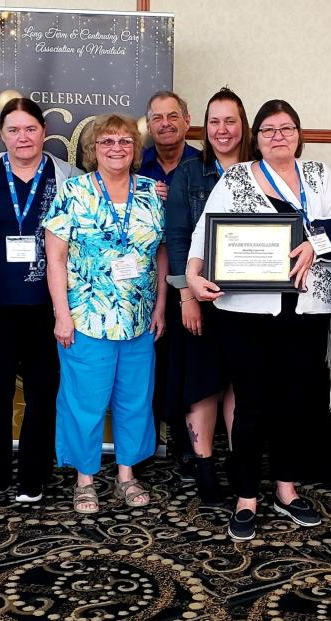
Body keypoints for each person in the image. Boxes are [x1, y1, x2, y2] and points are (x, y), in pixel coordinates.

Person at [186, 99, 331, 541]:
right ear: (256, 138)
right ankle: (245, 496)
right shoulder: (237, 177)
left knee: (294, 402)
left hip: (307, 308)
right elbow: (205, 230)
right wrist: (195, 275)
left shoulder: (317, 175)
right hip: (247, 312)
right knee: (252, 404)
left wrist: (314, 243)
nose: (279, 136)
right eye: (269, 130)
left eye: (287, 128)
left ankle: (287, 489)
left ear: (299, 133)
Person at [43, 114, 167, 514]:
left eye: (125, 141)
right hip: (87, 319)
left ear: (136, 149)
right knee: (85, 402)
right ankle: (85, 480)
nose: (117, 148)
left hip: (139, 318)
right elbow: (55, 258)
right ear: (93, 149)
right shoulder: (73, 192)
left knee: (135, 400)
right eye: (108, 141)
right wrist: (62, 315)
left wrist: (162, 304)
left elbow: (162, 252)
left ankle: (127, 475)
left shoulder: (151, 192)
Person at [0, 98, 81, 506]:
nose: (22, 137)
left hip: (48, 309)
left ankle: (34, 476)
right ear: (1, 134)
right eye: (13, 130)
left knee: (43, 393)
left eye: (30, 128)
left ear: (43, 132)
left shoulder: (68, 176)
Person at [164, 87, 248, 505]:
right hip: (203, 298)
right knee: (203, 385)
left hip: (251, 302)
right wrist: (187, 297)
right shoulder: (190, 173)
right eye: (214, 121)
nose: (222, 130)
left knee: (240, 385)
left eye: (230, 120)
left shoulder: (261, 170)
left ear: (243, 125)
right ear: (204, 127)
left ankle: (239, 463)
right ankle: (204, 468)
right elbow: (177, 237)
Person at [139, 90, 199, 479]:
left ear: (186, 120)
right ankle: (144, 441)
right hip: (143, 282)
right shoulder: (135, 164)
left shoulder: (202, 165)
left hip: (192, 280)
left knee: (187, 361)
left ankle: (186, 442)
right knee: (149, 363)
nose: (165, 123)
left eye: (172, 116)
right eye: (157, 117)